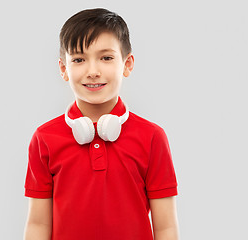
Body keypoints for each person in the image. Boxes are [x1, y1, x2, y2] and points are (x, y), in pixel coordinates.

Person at [23, 8, 179, 240]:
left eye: (106, 58)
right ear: (64, 69)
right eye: (79, 59)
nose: (93, 71)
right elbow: (37, 223)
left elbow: (165, 226)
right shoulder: (44, 138)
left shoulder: (152, 137)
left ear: (127, 64)